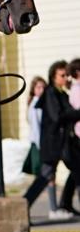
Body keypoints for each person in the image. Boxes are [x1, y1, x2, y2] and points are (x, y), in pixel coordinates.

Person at [24, 60, 80, 221]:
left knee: (77, 171)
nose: (66, 78)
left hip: (63, 144)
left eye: (67, 75)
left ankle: (65, 204)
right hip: (53, 145)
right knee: (44, 177)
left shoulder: (61, 93)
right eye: (62, 75)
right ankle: (24, 205)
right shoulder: (50, 93)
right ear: (54, 76)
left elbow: (67, 113)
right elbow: (58, 117)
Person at [59, 60, 80, 213]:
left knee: (76, 172)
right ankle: (65, 202)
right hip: (78, 136)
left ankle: (65, 202)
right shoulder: (77, 90)